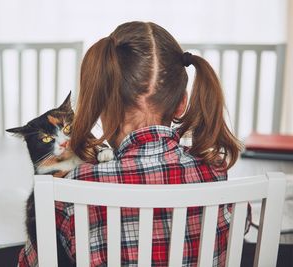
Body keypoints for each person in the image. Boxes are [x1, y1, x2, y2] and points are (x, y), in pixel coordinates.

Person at [19, 21, 243, 266]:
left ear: (103, 105)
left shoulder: (73, 186)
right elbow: (237, 226)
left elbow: (31, 262)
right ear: (182, 103)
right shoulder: (215, 172)